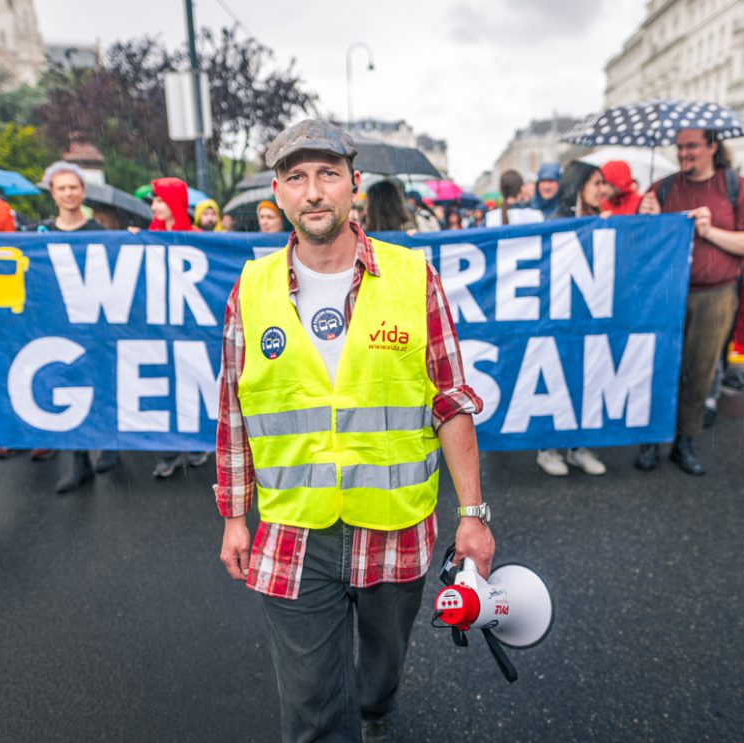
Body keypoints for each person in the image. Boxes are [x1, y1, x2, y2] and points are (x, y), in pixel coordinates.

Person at [216, 119, 495, 743]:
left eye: (328, 174)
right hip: (293, 529)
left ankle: (375, 707)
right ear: (279, 195)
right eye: (296, 178)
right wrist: (236, 516)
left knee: (379, 676)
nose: (313, 191)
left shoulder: (413, 276)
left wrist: (473, 513)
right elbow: (234, 411)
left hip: (395, 526)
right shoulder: (250, 288)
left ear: (353, 185)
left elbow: (450, 400)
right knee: (314, 710)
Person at [635, 128, 744, 474]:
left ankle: (684, 442)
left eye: (691, 146)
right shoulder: (663, 187)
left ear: (712, 146)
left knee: (699, 371)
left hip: (715, 295)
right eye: (679, 147)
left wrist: (710, 232)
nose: (683, 154)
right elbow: (638, 244)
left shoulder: (737, 186)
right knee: (660, 368)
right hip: (665, 294)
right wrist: (643, 217)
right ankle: (652, 440)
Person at [36, 162, 117, 493]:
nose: (69, 193)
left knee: (100, 385)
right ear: (53, 193)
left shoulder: (98, 232)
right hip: (57, 324)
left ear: (82, 192)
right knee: (68, 388)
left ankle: (111, 442)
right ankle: (78, 460)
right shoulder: (39, 235)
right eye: (62, 188)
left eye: (74, 187)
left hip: (94, 324)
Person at [534, 161, 609, 477]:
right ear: (579, 187)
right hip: (561, 318)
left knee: (586, 382)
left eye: (603, 183)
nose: (602, 190)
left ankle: (579, 447)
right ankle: (548, 448)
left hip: (590, 318)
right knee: (558, 380)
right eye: (596, 183)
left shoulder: (600, 219)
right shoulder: (558, 221)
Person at [0, 198, 55, 461]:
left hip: (26, 324)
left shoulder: (25, 244)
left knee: (35, 379)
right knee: (5, 381)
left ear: (1, 218)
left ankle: (44, 435)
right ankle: (15, 435)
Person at [146, 177, 211, 480]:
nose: (155, 207)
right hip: (158, 325)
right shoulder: (147, 237)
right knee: (164, 386)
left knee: (191, 383)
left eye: (159, 200)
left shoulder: (195, 237)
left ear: (173, 202)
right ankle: (169, 451)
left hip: (190, 324)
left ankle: (197, 442)